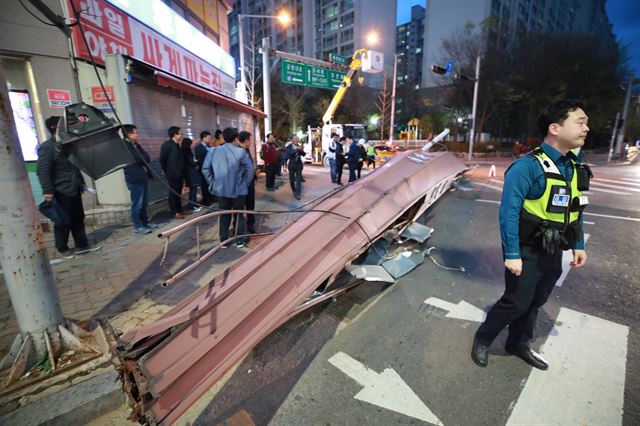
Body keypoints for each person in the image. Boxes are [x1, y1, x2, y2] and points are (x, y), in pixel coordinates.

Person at [472, 100, 590, 370]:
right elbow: (509, 213)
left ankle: (518, 343)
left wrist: (578, 244)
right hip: (526, 250)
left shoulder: (574, 166)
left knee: (537, 300)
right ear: (555, 128)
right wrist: (512, 254)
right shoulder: (528, 166)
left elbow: (576, 207)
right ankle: (483, 337)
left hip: (554, 247)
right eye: (580, 121)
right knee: (515, 302)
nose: (587, 128)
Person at [36, 116, 100, 257]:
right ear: (55, 127)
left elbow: (75, 166)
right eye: (63, 124)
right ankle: (62, 248)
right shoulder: (47, 147)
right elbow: (42, 170)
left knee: (78, 218)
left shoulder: (67, 144)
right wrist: (47, 191)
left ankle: (82, 245)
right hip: (60, 190)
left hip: (74, 188)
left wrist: (81, 182)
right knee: (63, 220)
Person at [202, 127, 254, 248]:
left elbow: (205, 169)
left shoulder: (212, 151)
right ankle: (239, 240)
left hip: (220, 190)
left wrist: (212, 183)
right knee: (239, 214)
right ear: (236, 138)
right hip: (239, 191)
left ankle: (224, 240)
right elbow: (250, 170)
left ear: (223, 138)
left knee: (224, 214)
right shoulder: (241, 152)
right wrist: (245, 184)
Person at [123, 124, 158, 234]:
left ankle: (145, 222)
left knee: (144, 202)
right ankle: (137, 226)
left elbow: (146, 157)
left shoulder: (136, 145)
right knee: (137, 203)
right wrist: (141, 159)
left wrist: (142, 159)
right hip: (134, 178)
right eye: (135, 132)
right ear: (129, 134)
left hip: (142, 176)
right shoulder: (125, 146)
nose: (137, 135)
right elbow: (137, 158)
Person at [160, 126, 190, 219]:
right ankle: (174, 212)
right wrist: (166, 171)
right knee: (173, 193)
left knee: (178, 192)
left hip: (179, 173)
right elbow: (162, 159)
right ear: (174, 134)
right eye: (180, 133)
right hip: (172, 174)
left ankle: (180, 210)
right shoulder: (167, 145)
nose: (181, 135)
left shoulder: (177, 145)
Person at [239, 130, 257, 233]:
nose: (250, 142)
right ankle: (239, 228)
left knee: (250, 204)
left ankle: (250, 223)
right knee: (240, 206)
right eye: (249, 140)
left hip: (250, 184)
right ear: (246, 141)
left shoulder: (247, 150)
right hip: (242, 183)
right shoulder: (238, 151)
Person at [181, 137, 202, 212]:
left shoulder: (184, 152)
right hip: (191, 174)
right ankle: (191, 206)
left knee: (193, 190)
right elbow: (192, 163)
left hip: (190, 174)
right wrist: (197, 161)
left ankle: (193, 205)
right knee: (193, 191)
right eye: (190, 144)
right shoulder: (186, 153)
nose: (192, 146)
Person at [195, 131, 214, 205]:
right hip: (203, 169)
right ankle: (206, 201)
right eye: (209, 138)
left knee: (210, 184)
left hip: (211, 169)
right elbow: (200, 160)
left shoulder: (210, 147)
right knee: (204, 186)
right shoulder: (198, 148)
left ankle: (211, 198)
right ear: (203, 138)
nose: (210, 139)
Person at [284, 135, 305, 199]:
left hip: (299, 165)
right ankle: (294, 191)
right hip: (292, 165)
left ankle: (298, 194)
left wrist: (301, 150)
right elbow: (289, 154)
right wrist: (296, 149)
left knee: (299, 180)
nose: (297, 140)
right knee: (292, 180)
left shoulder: (299, 146)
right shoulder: (288, 147)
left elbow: (304, 154)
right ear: (292, 140)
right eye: (295, 138)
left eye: (297, 138)